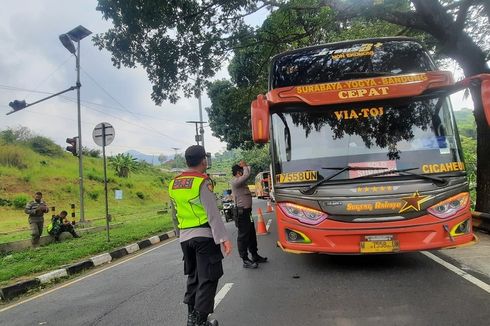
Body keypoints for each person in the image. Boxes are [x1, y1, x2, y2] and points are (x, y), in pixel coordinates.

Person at [169, 145, 232, 326]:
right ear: (203, 160)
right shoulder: (201, 182)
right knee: (209, 277)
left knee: (194, 277)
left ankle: (192, 318)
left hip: (185, 238)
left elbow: (174, 214)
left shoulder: (174, 183)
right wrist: (224, 239)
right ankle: (199, 322)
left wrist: (179, 234)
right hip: (204, 237)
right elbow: (212, 213)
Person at [230, 160, 268, 269]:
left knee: (251, 234)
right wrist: (245, 168)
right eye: (241, 171)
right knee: (243, 237)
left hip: (248, 213)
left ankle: (255, 255)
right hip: (242, 214)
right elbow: (246, 175)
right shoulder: (235, 182)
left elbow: (248, 171)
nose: (243, 172)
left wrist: (246, 166)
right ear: (238, 172)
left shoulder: (241, 181)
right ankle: (245, 260)